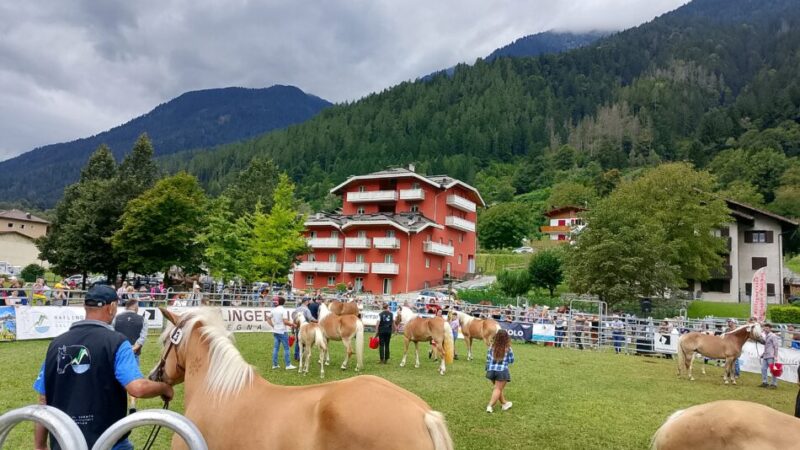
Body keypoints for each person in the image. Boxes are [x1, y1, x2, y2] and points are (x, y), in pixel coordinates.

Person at [32, 285, 172, 450]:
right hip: (109, 442)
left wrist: (40, 445)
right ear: (112, 307)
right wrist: (164, 387)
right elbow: (137, 388)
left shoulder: (56, 344)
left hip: (65, 442)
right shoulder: (117, 342)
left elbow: (43, 399)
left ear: (86, 306)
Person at [112, 299, 149, 414]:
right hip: (134, 353)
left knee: (116, 377)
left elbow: (112, 334)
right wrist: (133, 348)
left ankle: (116, 403)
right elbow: (142, 338)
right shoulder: (143, 320)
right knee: (133, 379)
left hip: (117, 352)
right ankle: (132, 404)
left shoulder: (116, 318)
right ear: (135, 307)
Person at [485, 329, 514, 413]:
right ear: (506, 338)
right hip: (501, 371)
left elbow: (488, 359)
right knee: (498, 389)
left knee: (498, 388)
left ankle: (504, 404)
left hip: (491, 371)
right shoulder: (508, 348)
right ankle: (490, 406)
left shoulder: (491, 347)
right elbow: (511, 360)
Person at [266, 296, 296, 370]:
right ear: (283, 302)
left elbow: (268, 318)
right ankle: (288, 365)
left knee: (276, 348)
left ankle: (275, 364)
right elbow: (285, 322)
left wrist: (273, 326)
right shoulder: (283, 310)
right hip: (282, 331)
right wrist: (293, 324)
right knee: (286, 348)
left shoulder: (273, 310)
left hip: (276, 331)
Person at [760, 323, 780, 389]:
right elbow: (767, 347)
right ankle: (764, 382)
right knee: (763, 369)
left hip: (771, 356)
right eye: (765, 328)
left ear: (770, 329)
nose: (765, 329)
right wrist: (763, 354)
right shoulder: (766, 336)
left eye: (767, 328)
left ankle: (774, 384)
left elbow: (776, 346)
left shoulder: (773, 336)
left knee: (773, 370)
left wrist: (776, 356)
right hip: (766, 355)